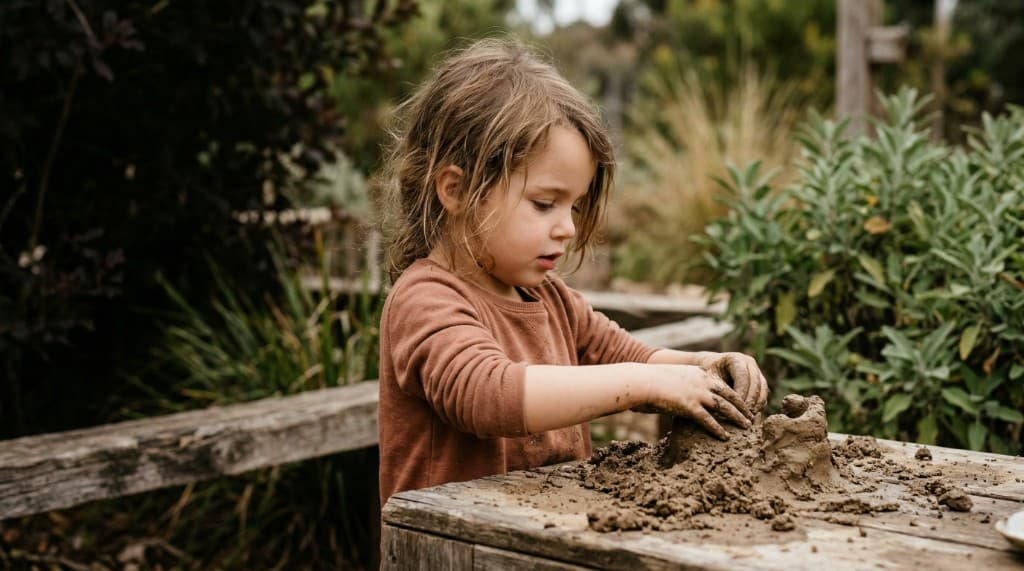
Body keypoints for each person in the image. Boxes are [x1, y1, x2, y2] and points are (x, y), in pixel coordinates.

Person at [374, 37, 769, 505]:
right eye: (545, 204)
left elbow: (627, 356)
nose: (567, 228)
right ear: (457, 190)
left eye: (574, 206)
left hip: (542, 530)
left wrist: (701, 366)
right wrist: (647, 384)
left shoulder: (550, 298)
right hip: (448, 539)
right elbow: (485, 394)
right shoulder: (425, 297)